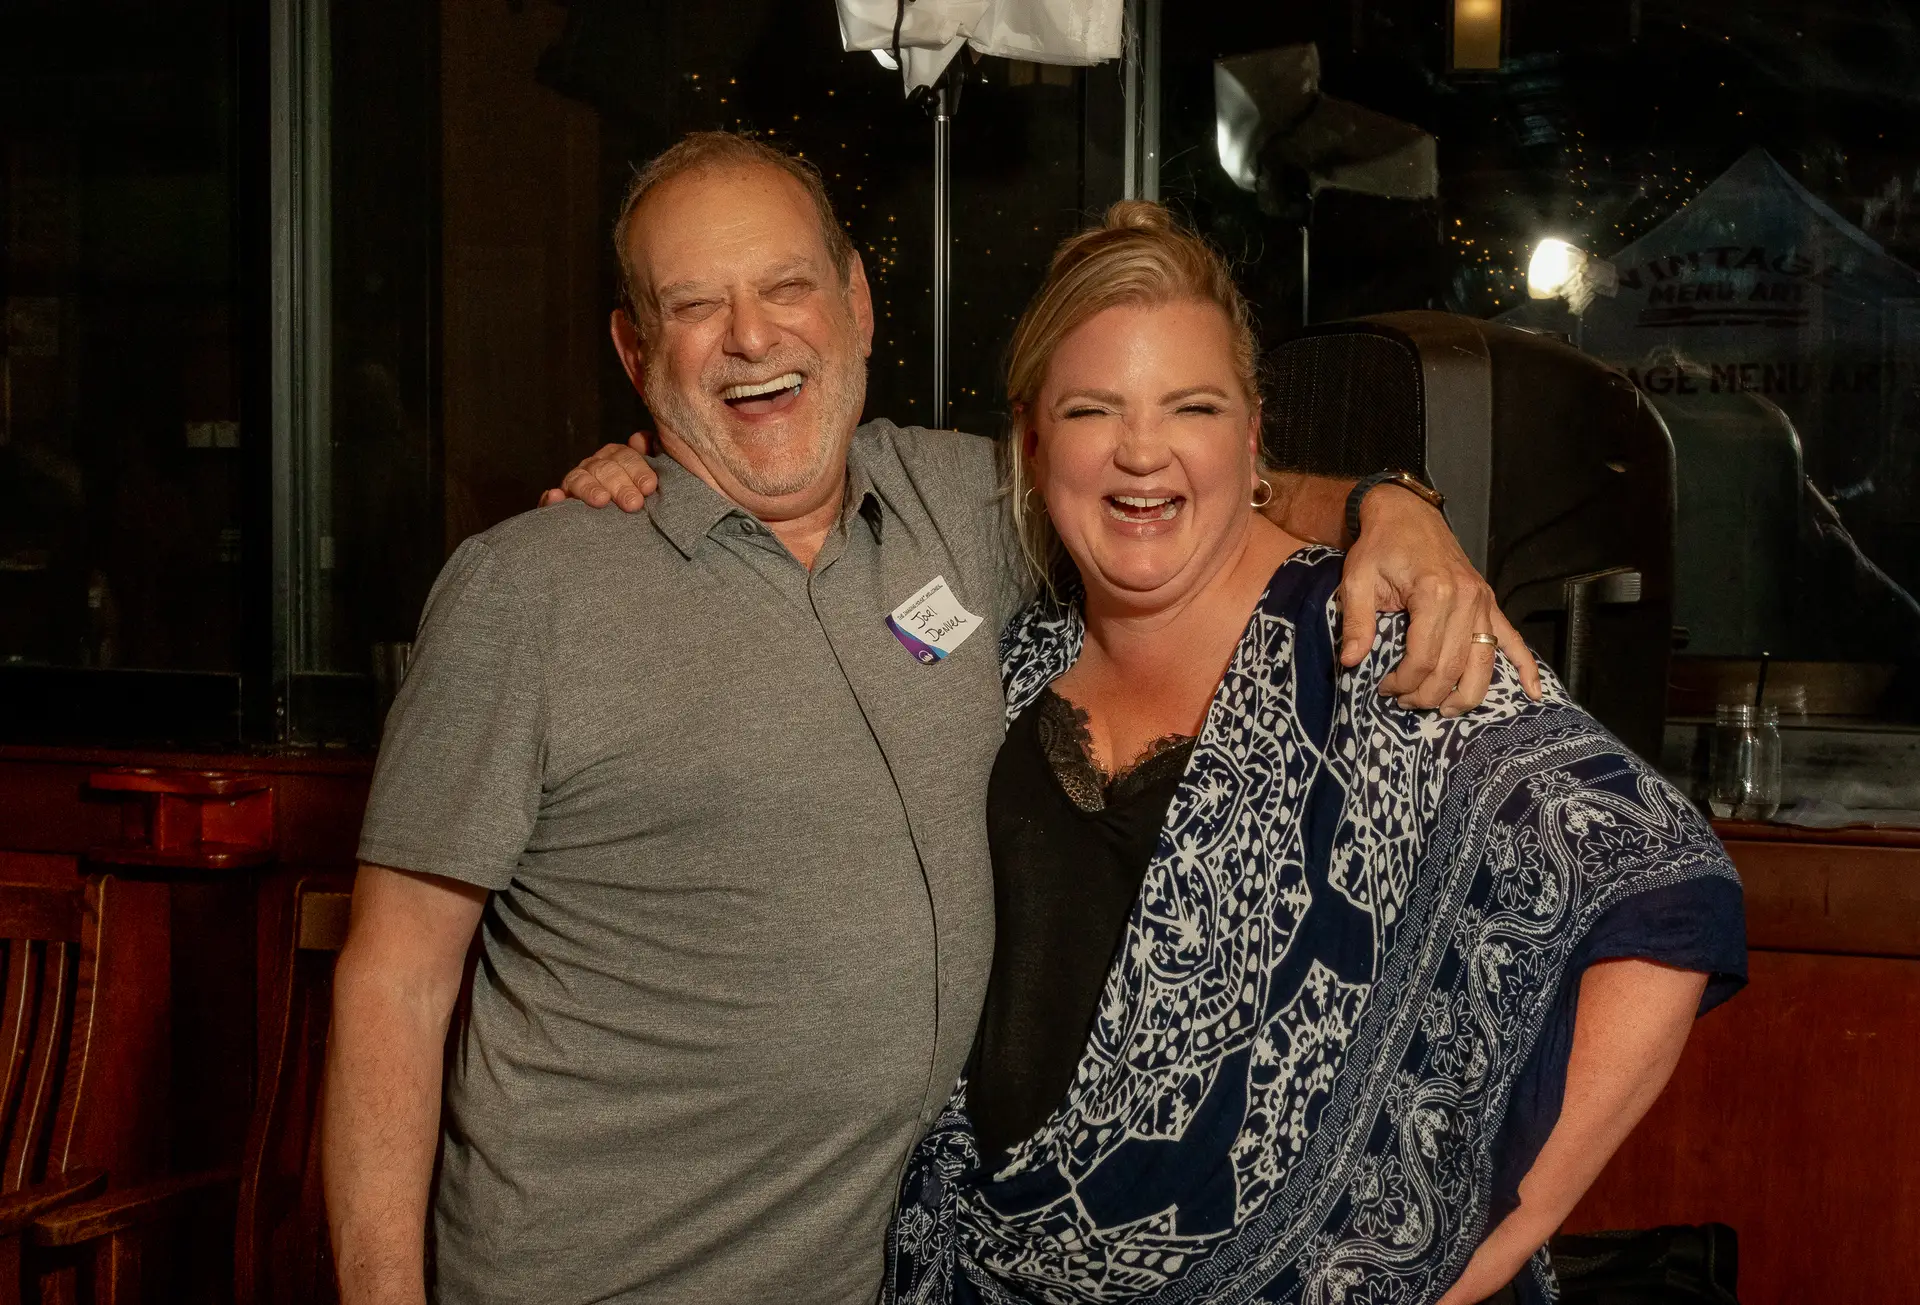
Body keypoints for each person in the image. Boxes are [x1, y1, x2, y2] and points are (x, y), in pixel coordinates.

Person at [322, 131, 1532, 1305]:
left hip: (888, 1274)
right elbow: (396, 980)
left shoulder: (958, 502)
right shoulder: (531, 591)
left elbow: (1181, 484)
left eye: (786, 286)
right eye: (694, 306)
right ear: (637, 351)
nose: (752, 337)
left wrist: (1392, 509)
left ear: (855, 303)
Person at [880, 205, 1747, 1305]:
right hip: (984, 1269)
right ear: (1033, 436)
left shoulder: (1371, 636)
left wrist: (1478, 1251)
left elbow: (1656, 882)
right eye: (1093, 409)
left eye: (1191, 407)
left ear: (1251, 437)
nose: (1142, 451)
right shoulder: (1009, 659)